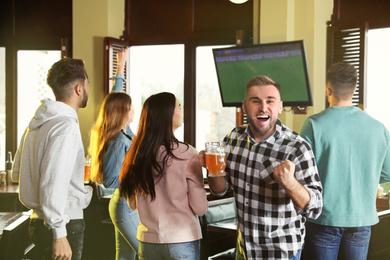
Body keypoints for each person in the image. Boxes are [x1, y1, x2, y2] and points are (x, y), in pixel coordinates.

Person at [199, 75, 323, 260]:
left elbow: (315, 208)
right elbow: (220, 190)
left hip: (281, 253)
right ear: (244, 106)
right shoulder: (233, 139)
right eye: (255, 101)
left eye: (270, 101)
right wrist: (212, 169)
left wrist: (290, 182)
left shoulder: (297, 147)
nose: (263, 107)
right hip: (245, 250)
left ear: (280, 106)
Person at [299, 62, 390, 260]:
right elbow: (387, 173)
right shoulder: (378, 128)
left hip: (323, 219)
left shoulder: (313, 124)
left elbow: (301, 174)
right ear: (354, 89)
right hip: (362, 220)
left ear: (327, 90)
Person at [11, 58, 93, 260]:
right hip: (63, 225)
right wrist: (59, 234)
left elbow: (16, 173)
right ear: (79, 88)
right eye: (87, 84)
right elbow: (53, 182)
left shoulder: (36, 123)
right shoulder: (66, 126)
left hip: (37, 222)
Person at [119, 92, 208, 260]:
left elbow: (132, 204)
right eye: (179, 106)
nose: (182, 110)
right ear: (167, 114)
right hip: (182, 241)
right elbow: (200, 208)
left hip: (148, 243)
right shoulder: (187, 153)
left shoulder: (137, 153)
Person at [89, 47, 140, 260]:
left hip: (128, 204)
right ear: (122, 113)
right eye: (130, 107)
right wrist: (137, 179)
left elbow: (113, 98)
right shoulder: (119, 140)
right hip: (124, 206)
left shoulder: (124, 132)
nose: (134, 110)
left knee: (126, 258)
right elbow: (110, 180)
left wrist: (121, 68)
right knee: (147, 253)